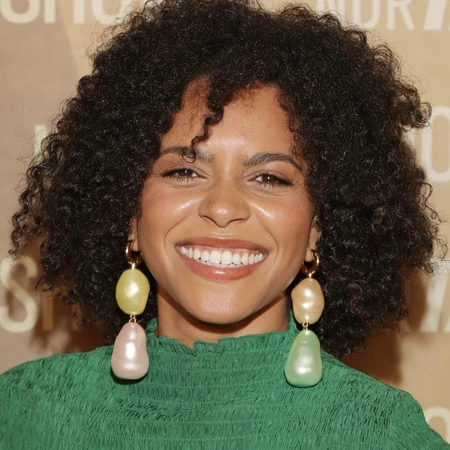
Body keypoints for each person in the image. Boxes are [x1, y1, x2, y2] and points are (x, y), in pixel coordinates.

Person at [0, 0, 448, 448]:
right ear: (129, 212)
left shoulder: (380, 433)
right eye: (184, 171)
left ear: (318, 228)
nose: (222, 207)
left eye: (269, 178)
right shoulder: (26, 413)